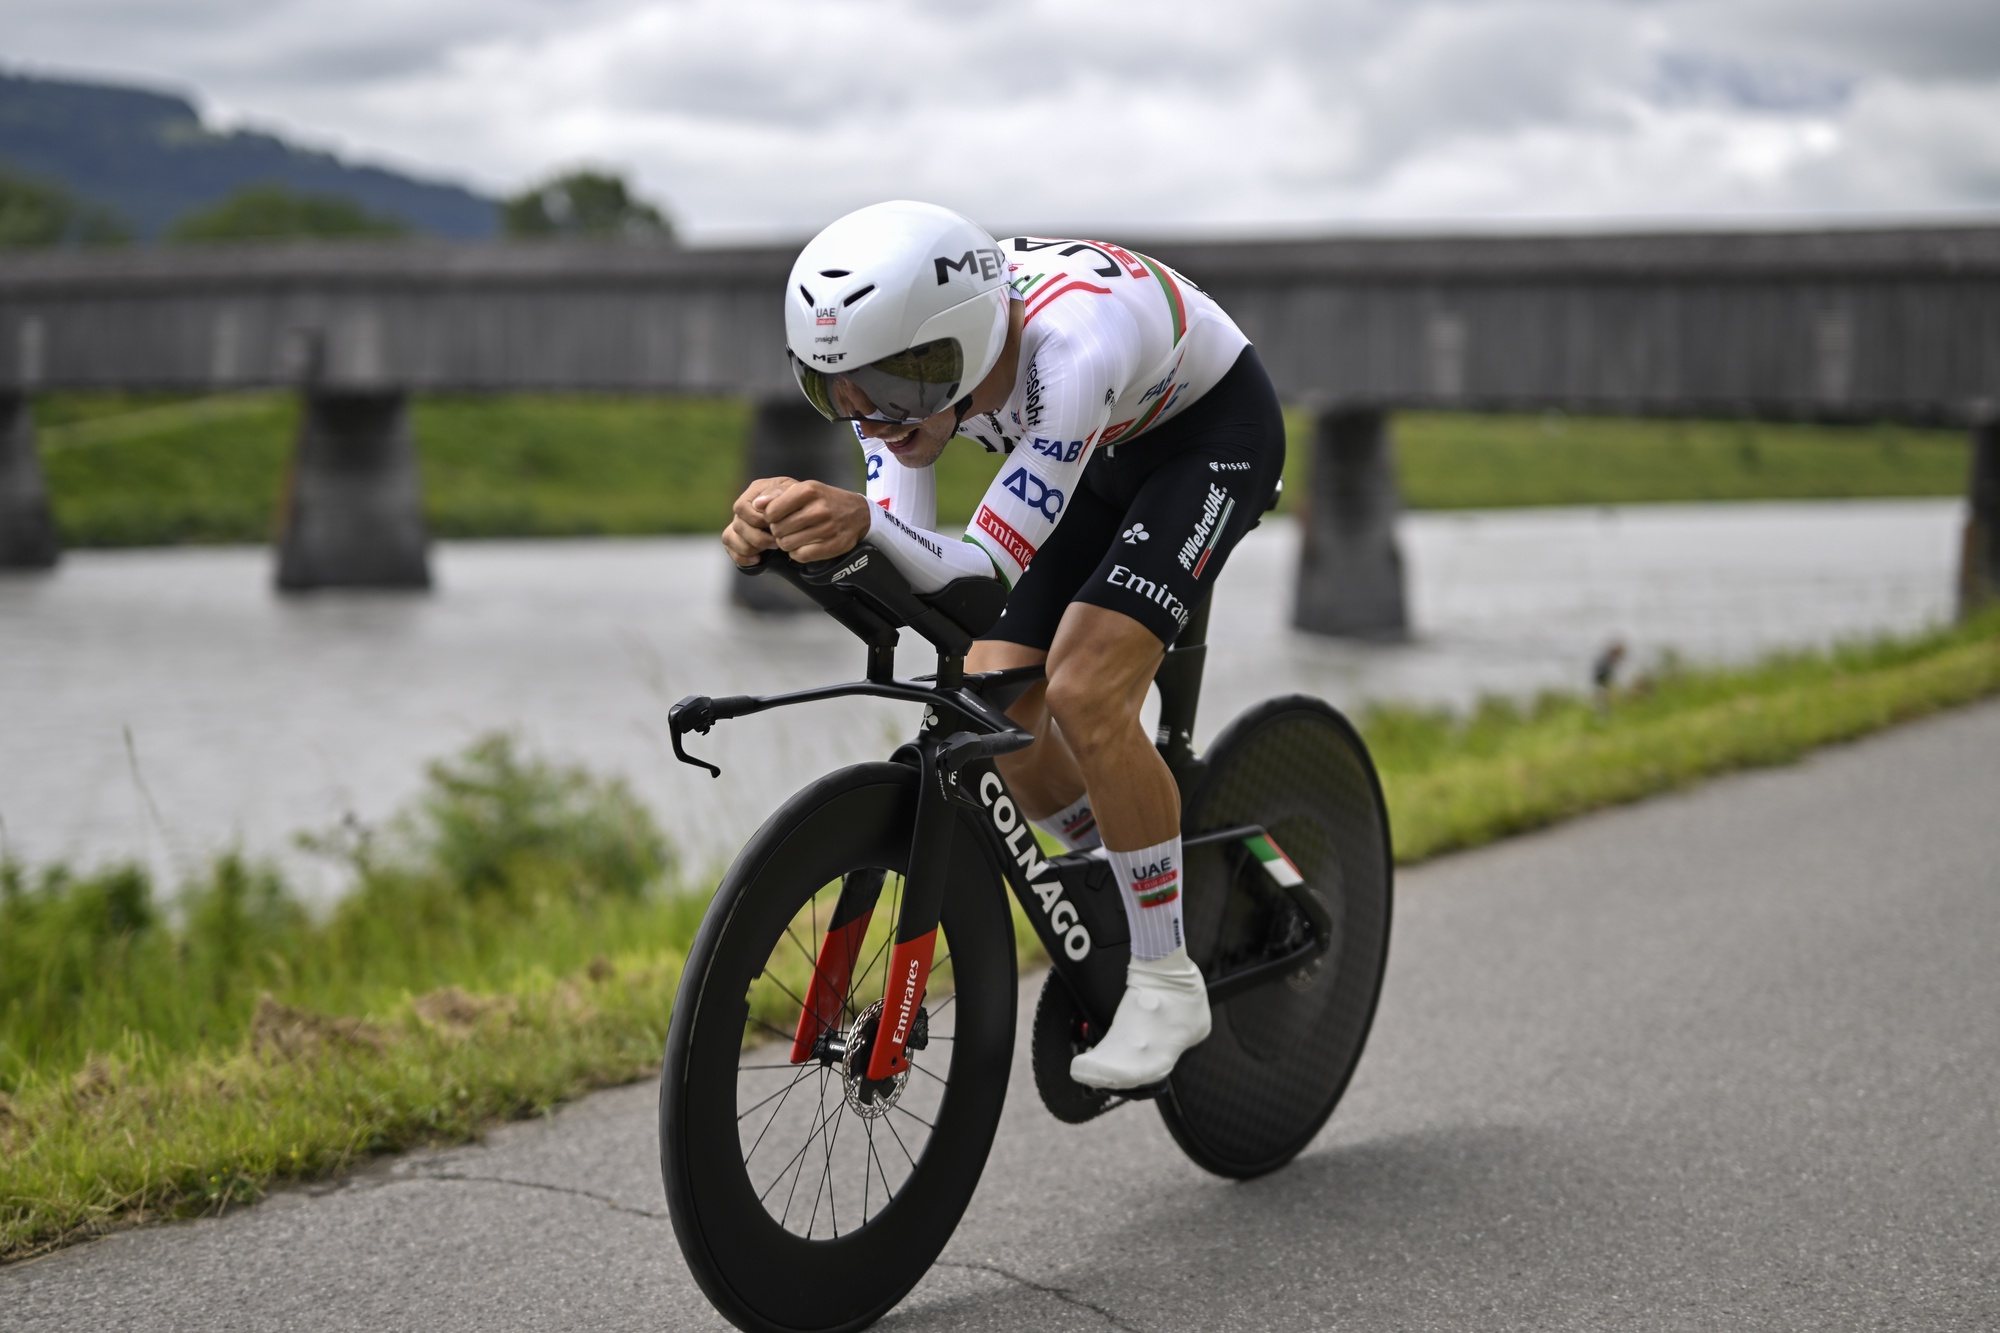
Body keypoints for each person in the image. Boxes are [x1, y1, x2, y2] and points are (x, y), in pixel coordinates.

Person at [721, 200, 1285, 1089]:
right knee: (998, 699)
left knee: (1087, 690)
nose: (876, 421)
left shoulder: (1069, 351)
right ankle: (1125, 860)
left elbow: (977, 571)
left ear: (970, 343)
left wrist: (861, 522)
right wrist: (796, 535)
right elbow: (909, 564)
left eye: (902, 387)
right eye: (838, 393)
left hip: (1207, 439)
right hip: (1102, 449)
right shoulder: (915, 371)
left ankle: (1167, 978)